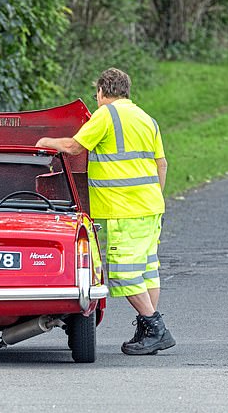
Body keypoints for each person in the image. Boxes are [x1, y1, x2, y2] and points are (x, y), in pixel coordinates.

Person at [36, 68, 176, 355]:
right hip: (150, 207)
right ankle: (147, 329)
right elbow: (162, 165)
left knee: (123, 272)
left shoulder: (106, 115)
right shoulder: (147, 119)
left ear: (102, 91)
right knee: (147, 270)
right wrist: (154, 199)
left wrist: (45, 142)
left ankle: (155, 326)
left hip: (122, 209)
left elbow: (75, 146)